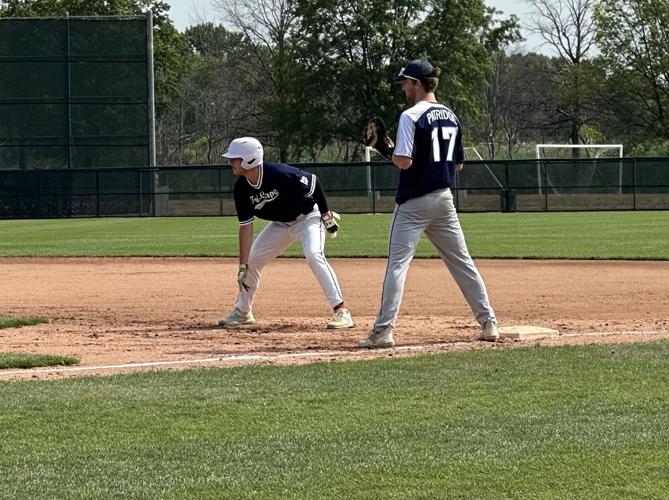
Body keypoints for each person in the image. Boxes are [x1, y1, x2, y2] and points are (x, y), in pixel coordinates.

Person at [358, 59, 499, 348]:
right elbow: (458, 165)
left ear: (418, 84)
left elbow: (404, 161)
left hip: (413, 204)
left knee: (397, 266)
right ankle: (489, 323)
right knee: (462, 263)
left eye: (405, 83)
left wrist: (385, 147)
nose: (403, 88)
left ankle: (383, 331)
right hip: (445, 202)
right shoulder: (451, 115)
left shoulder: (411, 116)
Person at [218, 137, 354, 330]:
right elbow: (246, 227)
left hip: (308, 217)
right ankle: (242, 312)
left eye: (235, 158)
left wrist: (326, 215)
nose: (230, 162)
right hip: (281, 224)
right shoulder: (241, 189)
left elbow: (314, 182)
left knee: (314, 255)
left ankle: (342, 311)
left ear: (249, 160)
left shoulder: (279, 173)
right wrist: (242, 264)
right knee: (252, 260)